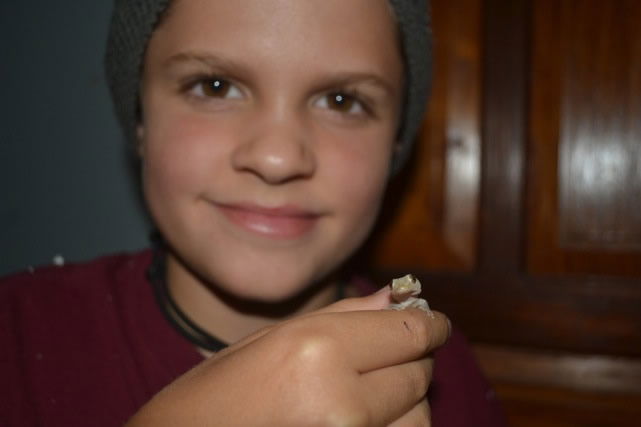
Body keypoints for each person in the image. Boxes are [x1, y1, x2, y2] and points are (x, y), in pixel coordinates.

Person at [0, 0, 507, 425]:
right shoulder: (15, 342)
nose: (277, 158)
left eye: (341, 100)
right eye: (215, 86)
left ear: (396, 144)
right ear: (139, 120)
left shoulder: (446, 373)